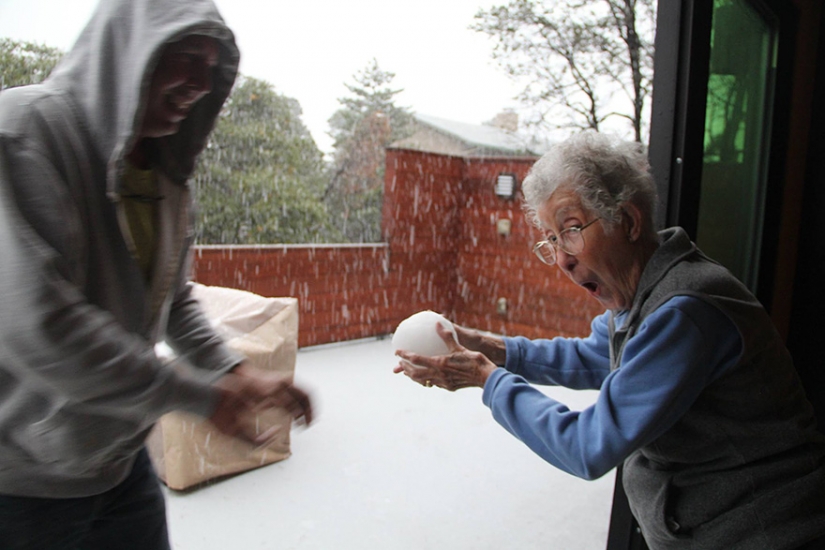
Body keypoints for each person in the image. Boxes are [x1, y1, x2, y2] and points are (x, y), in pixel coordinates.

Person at [394, 131, 825, 549]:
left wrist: (487, 379)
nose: (561, 258)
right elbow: (592, 357)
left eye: (572, 229)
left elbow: (588, 446)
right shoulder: (640, 298)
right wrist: (489, 346)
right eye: (550, 240)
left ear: (630, 221)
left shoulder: (683, 311)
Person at [0, 0, 312, 548]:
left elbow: (174, 300)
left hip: (120, 464)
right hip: (22, 483)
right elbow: (41, 327)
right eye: (185, 56)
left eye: (210, 67)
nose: (198, 81)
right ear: (125, 53)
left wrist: (231, 370)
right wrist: (199, 396)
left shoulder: (166, 172)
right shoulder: (25, 131)